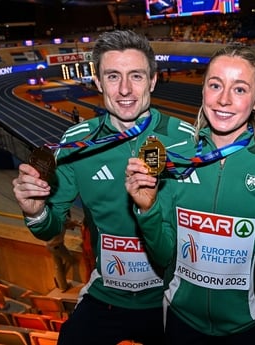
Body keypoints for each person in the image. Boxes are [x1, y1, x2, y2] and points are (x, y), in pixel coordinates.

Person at [12, 29, 195, 345]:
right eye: (113, 76)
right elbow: (48, 226)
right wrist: (37, 212)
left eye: (136, 76)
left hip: (173, 298)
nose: (125, 89)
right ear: (97, 83)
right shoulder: (75, 144)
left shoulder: (188, 139)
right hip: (108, 297)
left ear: (152, 81)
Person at [126, 45, 255, 345]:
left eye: (240, 89)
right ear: (204, 90)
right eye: (215, 85)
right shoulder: (175, 160)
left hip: (247, 329)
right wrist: (148, 209)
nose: (223, 100)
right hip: (181, 324)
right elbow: (164, 255)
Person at [46, 216, 78, 292]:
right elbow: (71, 224)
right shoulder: (62, 217)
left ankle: (62, 284)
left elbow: (69, 225)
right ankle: (60, 278)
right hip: (58, 245)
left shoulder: (51, 216)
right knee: (71, 260)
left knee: (58, 266)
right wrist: (77, 223)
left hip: (49, 245)